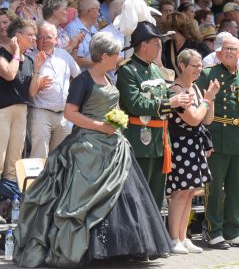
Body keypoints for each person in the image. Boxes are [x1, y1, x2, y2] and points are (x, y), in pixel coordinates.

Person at [13, 32, 172, 268]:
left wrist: (117, 124)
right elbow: (70, 113)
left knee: (123, 196)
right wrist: (101, 126)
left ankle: (119, 249)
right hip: (87, 146)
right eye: (116, 53)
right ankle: (88, 250)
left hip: (114, 145)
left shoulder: (109, 78)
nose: (119, 57)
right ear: (105, 55)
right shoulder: (83, 80)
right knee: (83, 199)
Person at [116, 21, 193, 209]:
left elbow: (164, 95)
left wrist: (179, 100)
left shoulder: (155, 69)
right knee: (138, 194)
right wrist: (169, 103)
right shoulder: (128, 70)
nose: (160, 48)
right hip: (139, 137)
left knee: (156, 195)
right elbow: (135, 104)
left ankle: (154, 235)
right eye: (156, 44)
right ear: (143, 45)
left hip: (160, 139)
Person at [196, 35, 239, 249]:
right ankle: (213, 231)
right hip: (216, 138)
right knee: (214, 189)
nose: (230, 52)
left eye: (234, 49)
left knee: (237, 189)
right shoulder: (207, 75)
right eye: (226, 49)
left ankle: (233, 230)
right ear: (219, 53)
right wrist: (204, 142)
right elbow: (201, 107)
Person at [166, 49, 219, 254]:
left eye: (200, 65)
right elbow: (193, 118)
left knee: (189, 193)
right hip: (180, 145)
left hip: (194, 144)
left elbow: (207, 119)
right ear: (182, 66)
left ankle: (183, 235)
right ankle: (173, 238)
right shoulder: (176, 91)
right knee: (179, 193)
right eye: (194, 65)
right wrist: (206, 100)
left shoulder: (196, 89)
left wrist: (210, 98)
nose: (199, 69)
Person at [28, 22, 80, 158]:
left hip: (63, 114)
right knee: (39, 156)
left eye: (48, 37)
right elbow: (27, 91)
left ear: (56, 39)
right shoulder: (31, 57)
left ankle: (54, 180)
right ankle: (37, 180)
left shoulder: (64, 55)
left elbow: (79, 77)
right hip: (40, 112)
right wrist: (37, 83)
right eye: (40, 37)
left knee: (59, 157)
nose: (44, 41)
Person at [0, 18, 37, 183]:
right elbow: (9, 74)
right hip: (3, 110)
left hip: (21, 111)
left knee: (14, 161)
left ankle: (9, 203)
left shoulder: (29, 60)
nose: (34, 38)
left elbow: (30, 93)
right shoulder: (2, 54)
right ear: (17, 36)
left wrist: (39, 71)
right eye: (30, 35)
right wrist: (16, 53)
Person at [162, 12, 210, 78]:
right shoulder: (167, 45)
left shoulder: (198, 46)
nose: (166, 30)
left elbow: (206, 69)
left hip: (194, 85)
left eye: (168, 27)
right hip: (174, 86)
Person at [64, 0, 99, 70]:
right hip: (81, 77)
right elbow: (76, 60)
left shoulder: (93, 28)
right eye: (98, 10)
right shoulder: (73, 29)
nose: (99, 14)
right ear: (91, 11)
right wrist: (101, 62)